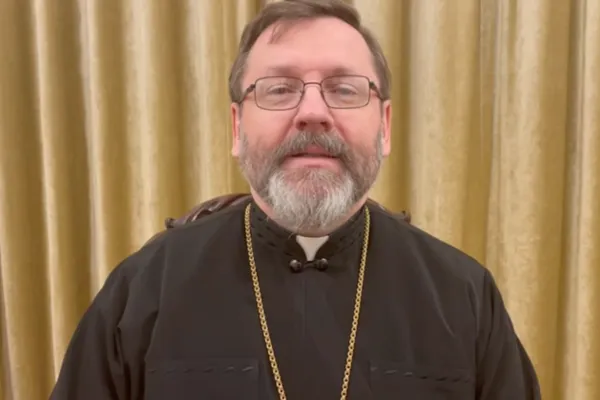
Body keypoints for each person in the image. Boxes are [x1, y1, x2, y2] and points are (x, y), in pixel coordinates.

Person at [50, 0, 541, 399]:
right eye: (280, 89)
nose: (312, 112)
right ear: (237, 128)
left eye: (344, 89)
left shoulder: (463, 295)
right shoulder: (144, 290)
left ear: (385, 127)